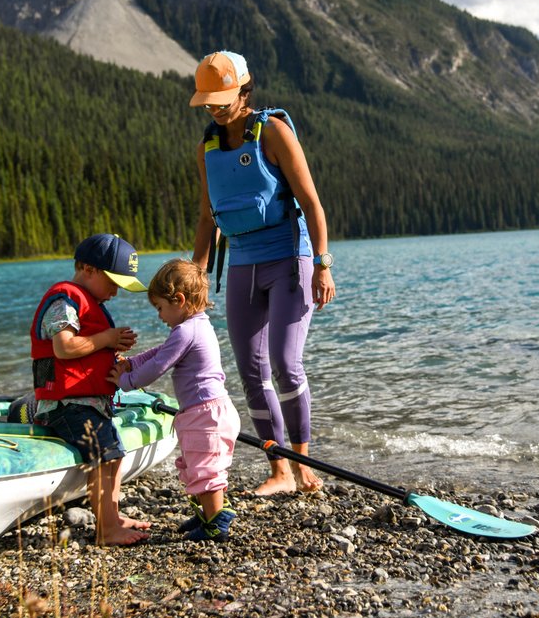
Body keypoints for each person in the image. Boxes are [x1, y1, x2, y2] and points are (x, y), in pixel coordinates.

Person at [188, 50, 335, 495]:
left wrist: (323, 264)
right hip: (244, 265)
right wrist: (196, 276)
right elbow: (206, 217)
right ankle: (279, 469)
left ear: (243, 90)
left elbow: (311, 202)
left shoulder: (273, 131)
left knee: (286, 364)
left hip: (290, 259)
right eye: (207, 101)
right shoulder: (207, 149)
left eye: (221, 98)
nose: (213, 108)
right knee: (251, 372)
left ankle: (303, 462)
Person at [28, 233, 149, 546]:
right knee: (102, 455)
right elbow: (64, 348)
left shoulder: (90, 303)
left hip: (89, 404)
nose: (115, 291)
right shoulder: (64, 301)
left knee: (115, 455)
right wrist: (107, 339)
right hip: (66, 406)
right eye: (113, 282)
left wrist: (115, 361)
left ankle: (114, 515)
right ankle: (106, 529)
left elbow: (88, 353)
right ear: (87, 269)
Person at [109, 259, 240, 542]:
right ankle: (206, 514)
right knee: (197, 464)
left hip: (206, 414)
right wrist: (132, 363)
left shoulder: (186, 331)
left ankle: (217, 523)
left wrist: (125, 382)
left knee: (206, 469)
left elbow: (158, 366)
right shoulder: (195, 326)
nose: (159, 316)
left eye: (160, 308)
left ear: (179, 300)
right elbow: (159, 352)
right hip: (209, 411)